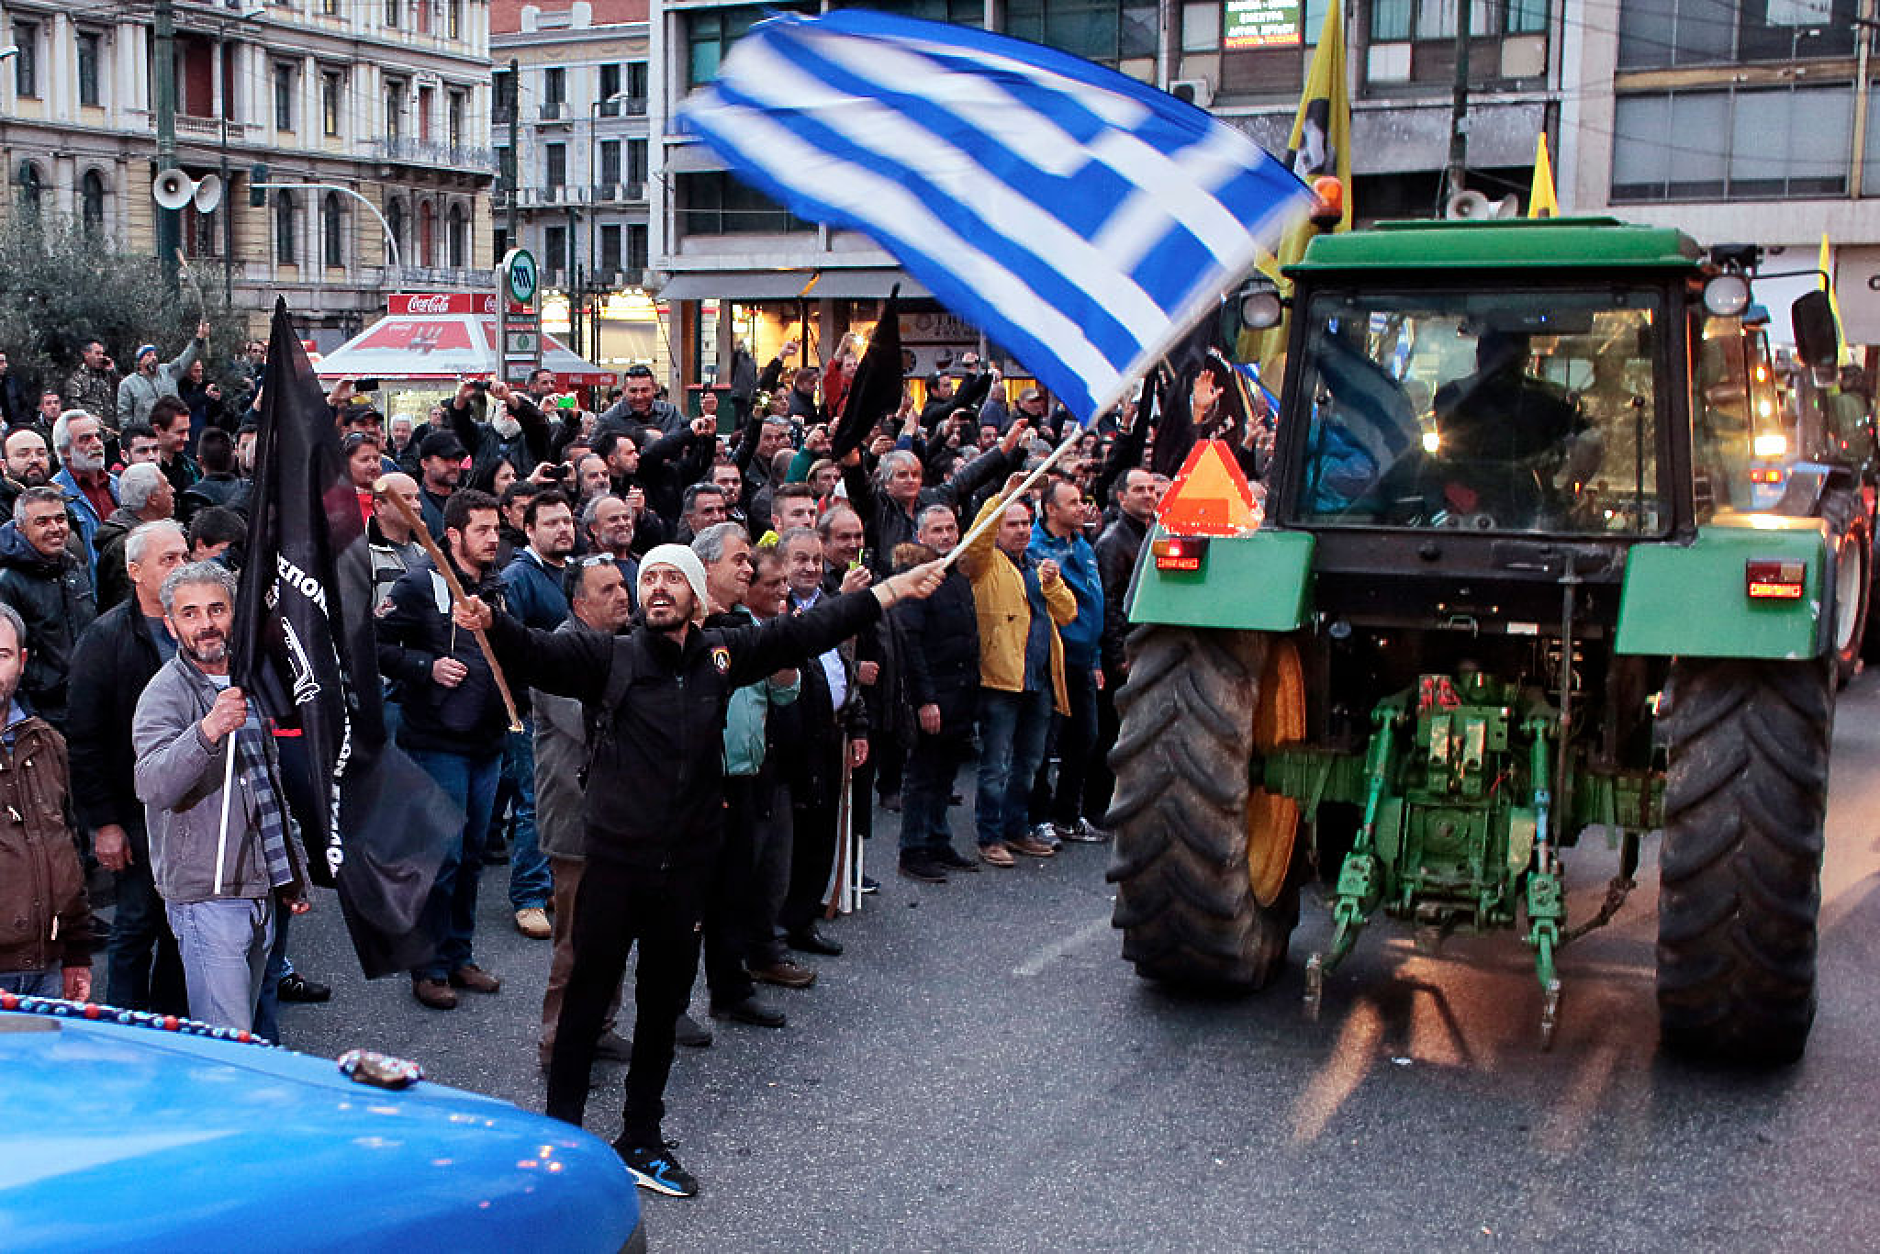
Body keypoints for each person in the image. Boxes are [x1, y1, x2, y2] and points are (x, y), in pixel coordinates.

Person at [459, 539, 946, 1198]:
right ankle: (562, 1140)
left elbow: (808, 627)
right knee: (583, 1007)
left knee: (661, 1010)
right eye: (649, 577)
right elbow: (535, 653)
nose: (658, 587)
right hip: (613, 863)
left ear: (693, 595)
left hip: (686, 867)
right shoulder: (611, 656)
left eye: (672, 579)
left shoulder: (723, 655)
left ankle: (641, 1138)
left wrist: (892, 590)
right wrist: (492, 621)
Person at [132, 561, 310, 1032]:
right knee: (225, 1040)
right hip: (206, 897)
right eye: (189, 614)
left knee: (244, 1027)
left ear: (236, 614)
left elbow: (269, 790)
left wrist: (291, 874)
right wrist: (208, 730)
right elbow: (151, 784)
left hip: (258, 888)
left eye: (217, 609)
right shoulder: (164, 693)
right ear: (170, 625)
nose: (205, 623)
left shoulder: (252, 680)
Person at [377, 489, 510, 1010]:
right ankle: (427, 966)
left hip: (487, 739)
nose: (493, 538)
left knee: (473, 853)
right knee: (442, 857)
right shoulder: (416, 584)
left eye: (497, 529)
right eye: (482, 529)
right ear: (452, 535)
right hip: (436, 740)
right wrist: (424, 668)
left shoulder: (498, 587)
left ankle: (459, 954)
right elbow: (373, 642)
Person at [68, 520, 189, 1014]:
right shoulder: (105, 639)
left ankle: (171, 1023)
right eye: (169, 559)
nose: (183, 567)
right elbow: (85, 738)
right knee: (137, 922)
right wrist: (105, 823)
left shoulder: (202, 625)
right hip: (136, 811)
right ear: (135, 571)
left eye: (185, 556)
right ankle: (124, 1026)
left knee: (183, 926)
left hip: (194, 808)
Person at [532, 555, 636, 1071]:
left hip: (619, 817)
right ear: (580, 604)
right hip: (575, 818)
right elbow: (590, 724)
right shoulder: (558, 653)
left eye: (623, 585)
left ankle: (600, 1029)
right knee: (575, 941)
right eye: (608, 590)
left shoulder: (624, 643)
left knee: (613, 930)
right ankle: (559, 1045)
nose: (623, 595)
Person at [692, 522, 795, 1030]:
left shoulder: (745, 626)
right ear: (706, 566)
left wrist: (784, 660)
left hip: (743, 775)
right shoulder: (685, 628)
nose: (749, 569)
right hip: (696, 785)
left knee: (734, 889)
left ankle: (730, 989)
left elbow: (781, 695)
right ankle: (667, 1009)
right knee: (688, 900)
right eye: (738, 561)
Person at [958, 490, 1074, 867]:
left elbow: (1068, 613)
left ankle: (1017, 828)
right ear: (998, 529)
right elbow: (974, 541)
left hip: (1037, 681)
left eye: (1026, 523)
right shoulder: (985, 564)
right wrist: (1000, 498)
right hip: (1001, 683)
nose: (1022, 530)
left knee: (1029, 763)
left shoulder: (1037, 566)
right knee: (996, 766)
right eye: (1012, 524)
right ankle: (989, 836)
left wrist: (1053, 584)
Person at [0, 600, 98, 1001]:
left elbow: (66, 853)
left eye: (1, 655)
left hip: (47, 970)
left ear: (21, 661)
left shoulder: (45, 742)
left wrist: (77, 952)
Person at [776, 528, 866, 954]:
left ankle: (802, 921)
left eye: (815, 559)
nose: (811, 567)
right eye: (800, 559)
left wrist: (858, 727)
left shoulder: (833, 607)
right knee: (789, 836)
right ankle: (774, 926)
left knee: (821, 832)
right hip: (792, 738)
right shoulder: (777, 611)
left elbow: (847, 671)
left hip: (832, 731)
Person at [497, 489, 577, 940]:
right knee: (533, 803)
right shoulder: (519, 577)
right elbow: (514, 648)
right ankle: (528, 895)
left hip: (574, 708)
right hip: (532, 709)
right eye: (551, 522)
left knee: (562, 799)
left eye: (567, 520)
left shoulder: (573, 572)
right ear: (529, 529)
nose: (563, 528)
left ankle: (549, 884)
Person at [892, 506, 982, 882]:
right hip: (933, 695)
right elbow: (911, 644)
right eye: (937, 530)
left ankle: (938, 838)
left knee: (946, 774)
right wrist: (925, 700)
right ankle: (913, 849)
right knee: (923, 774)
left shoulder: (956, 574)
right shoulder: (918, 579)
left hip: (960, 691)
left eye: (951, 529)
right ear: (921, 536)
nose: (946, 536)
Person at [1026, 478, 1107, 846]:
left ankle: (1068, 814)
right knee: (1044, 743)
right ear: (1050, 509)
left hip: (1083, 660)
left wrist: (1096, 658)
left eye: (1082, 500)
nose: (1081, 507)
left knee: (1085, 739)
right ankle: (1038, 816)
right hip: (1052, 661)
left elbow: (1094, 604)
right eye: (1072, 502)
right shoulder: (1037, 550)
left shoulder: (1084, 546)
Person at [0, 486, 98, 731]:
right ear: (20, 528)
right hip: (41, 713)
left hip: (86, 701)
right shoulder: (8, 581)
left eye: (60, 519)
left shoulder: (73, 566)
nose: (55, 528)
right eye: (42, 522)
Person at [92, 463, 175, 617]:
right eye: (166, 485)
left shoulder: (146, 535)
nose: (172, 490)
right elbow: (128, 606)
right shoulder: (124, 547)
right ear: (153, 498)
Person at [51, 409, 118, 571]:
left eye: (98, 437)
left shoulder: (117, 484)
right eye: (85, 439)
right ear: (65, 451)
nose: (96, 444)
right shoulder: (54, 494)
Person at [117, 323, 210, 428]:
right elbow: (124, 417)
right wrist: (131, 437)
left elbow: (185, 360)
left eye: (154, 354)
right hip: (147, 436)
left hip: (173, 431)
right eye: (148, 355)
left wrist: (199, 338)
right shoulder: (128, 384)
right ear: (139, 362)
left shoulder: (168, 372)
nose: (154, 358)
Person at [595, 363, 685, 437]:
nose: (639, 396)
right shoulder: (608, 419)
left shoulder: (670, 413)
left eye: (644, 390)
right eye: (633, 391)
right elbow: (592, 451)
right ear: (624, 390)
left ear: (654, 389)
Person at [582, 494, 640, 604]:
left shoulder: (641, 564)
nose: (623, 524)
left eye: (626, 517)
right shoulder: (587, 573)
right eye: (613, 519)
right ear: (594, 528)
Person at [416, 430, 468, 541]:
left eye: (456, 459)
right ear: (425, 464)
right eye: (446, 459)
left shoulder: (468, 502)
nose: (454, 465)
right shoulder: (415, 505)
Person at [148, 397, 202, 496]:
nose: (186, 438)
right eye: (180, 432)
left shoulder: (193, 470)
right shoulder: (145, 473)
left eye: (187, 431)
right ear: (157, 429)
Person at [64, 339, 121, 427]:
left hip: (112, 429)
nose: (101, 357)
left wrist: (112, 372)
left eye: (102, 354)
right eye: (97, 353)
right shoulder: (77, 377)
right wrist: (88, 417)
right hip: (90, 427)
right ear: (86, 354)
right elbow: (73, 403)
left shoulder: (106, 375)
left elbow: (122, 390)